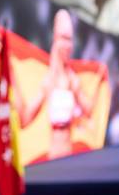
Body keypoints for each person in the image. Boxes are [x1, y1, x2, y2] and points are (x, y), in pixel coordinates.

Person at [12, 9, 107, 159]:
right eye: (63, 38)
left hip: (71, 152)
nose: (68, 45)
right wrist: (10, 74)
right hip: (52, 154)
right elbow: (24, 119)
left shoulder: (72, 79)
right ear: (55, 39)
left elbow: (89, 111)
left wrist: (99, 78)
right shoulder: (48, 79)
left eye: (70, 39)